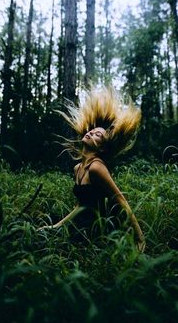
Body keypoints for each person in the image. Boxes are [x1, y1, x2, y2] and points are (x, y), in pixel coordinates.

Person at [38, 86, 145, 253]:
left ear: (101, 148)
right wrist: (55, 227)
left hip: (99, 230)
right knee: (40, 228)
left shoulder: (96, 167)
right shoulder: (77, 168)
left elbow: (121, 201)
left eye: (98, 135)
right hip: (82, 224)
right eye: (93, 131)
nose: (91, 133)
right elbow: (80, 206)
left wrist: (139, 239)